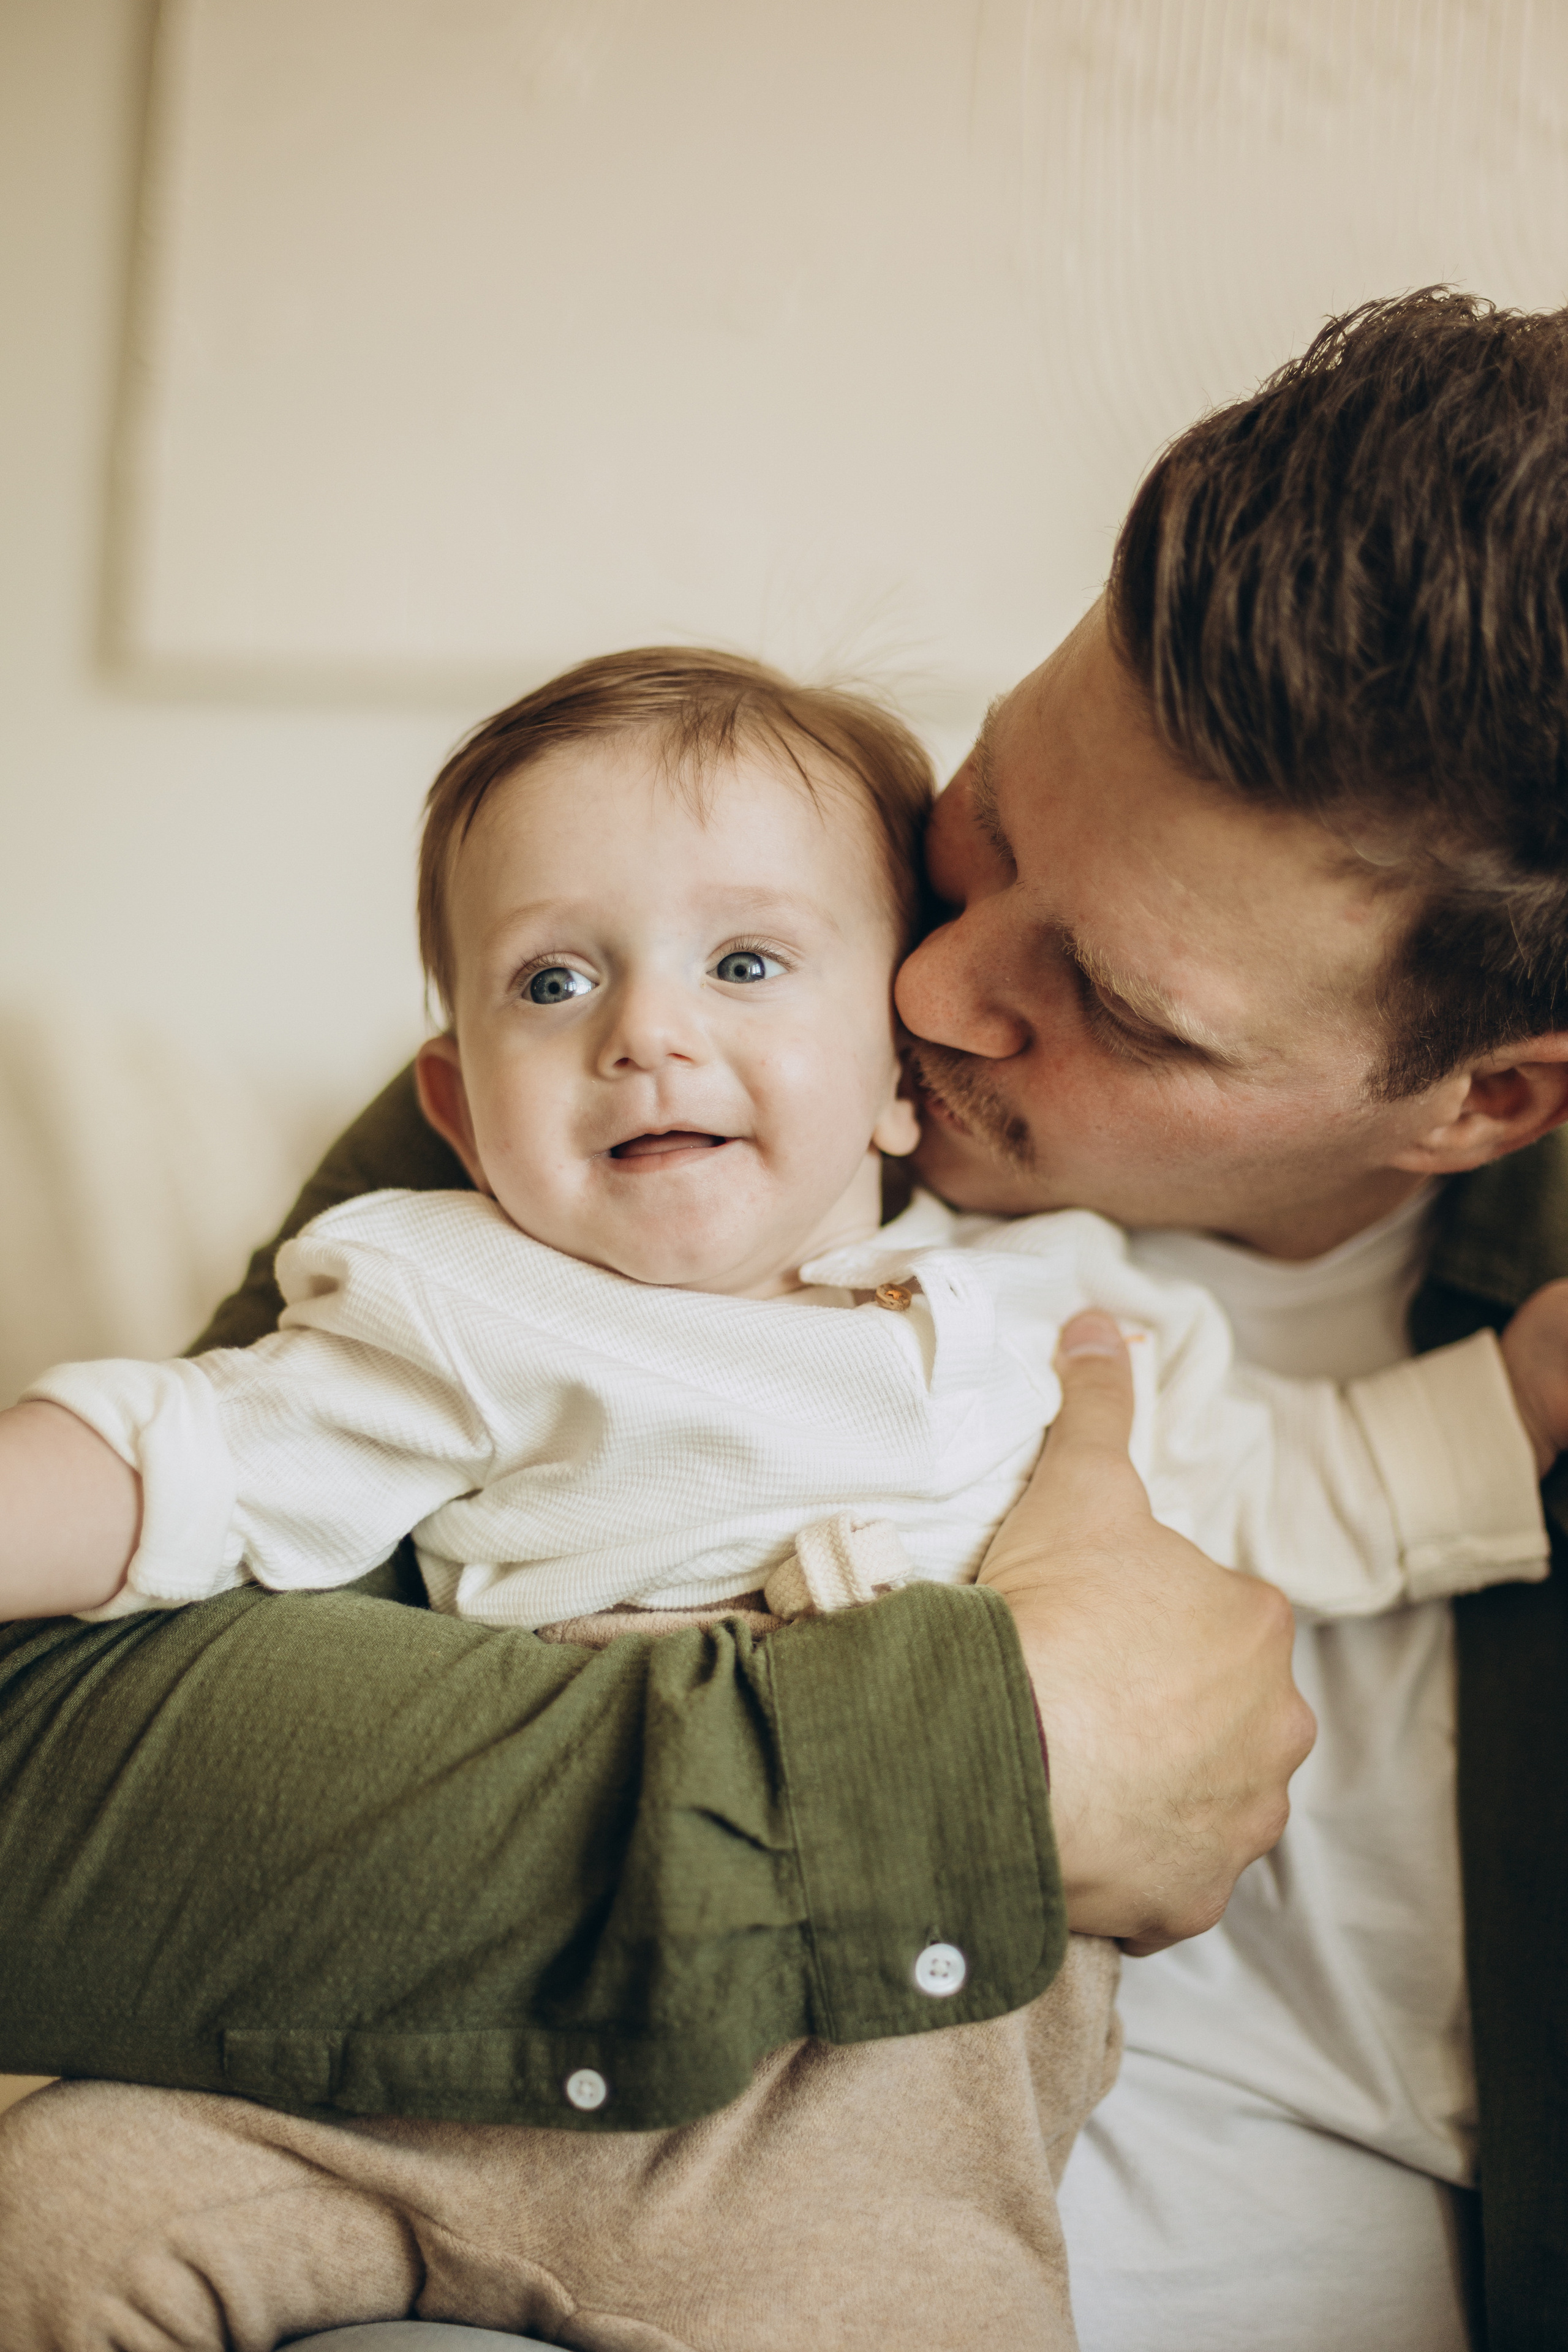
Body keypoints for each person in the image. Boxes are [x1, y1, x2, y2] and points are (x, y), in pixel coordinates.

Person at [1, 287, 1565, 2346]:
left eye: (1114, 1005)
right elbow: (60, 1775)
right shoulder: (628, 1111)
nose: (932, 989)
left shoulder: (1112, 1323)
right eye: (985, 826)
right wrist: (973, 1770)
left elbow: (1347, 1485)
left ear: (1487, 1100)